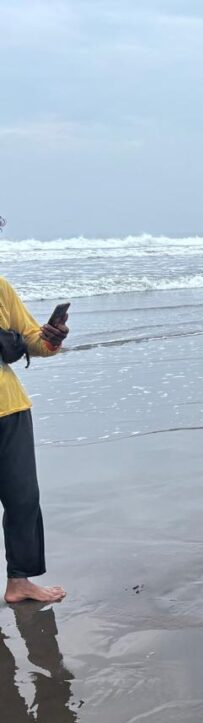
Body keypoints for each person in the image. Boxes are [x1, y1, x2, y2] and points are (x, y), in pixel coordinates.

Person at [0, 217, 70, 603]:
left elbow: (33, 340)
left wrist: (51, 338)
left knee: (23, 498)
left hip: (9, 408)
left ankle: (19, 582)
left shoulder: (1, 289)